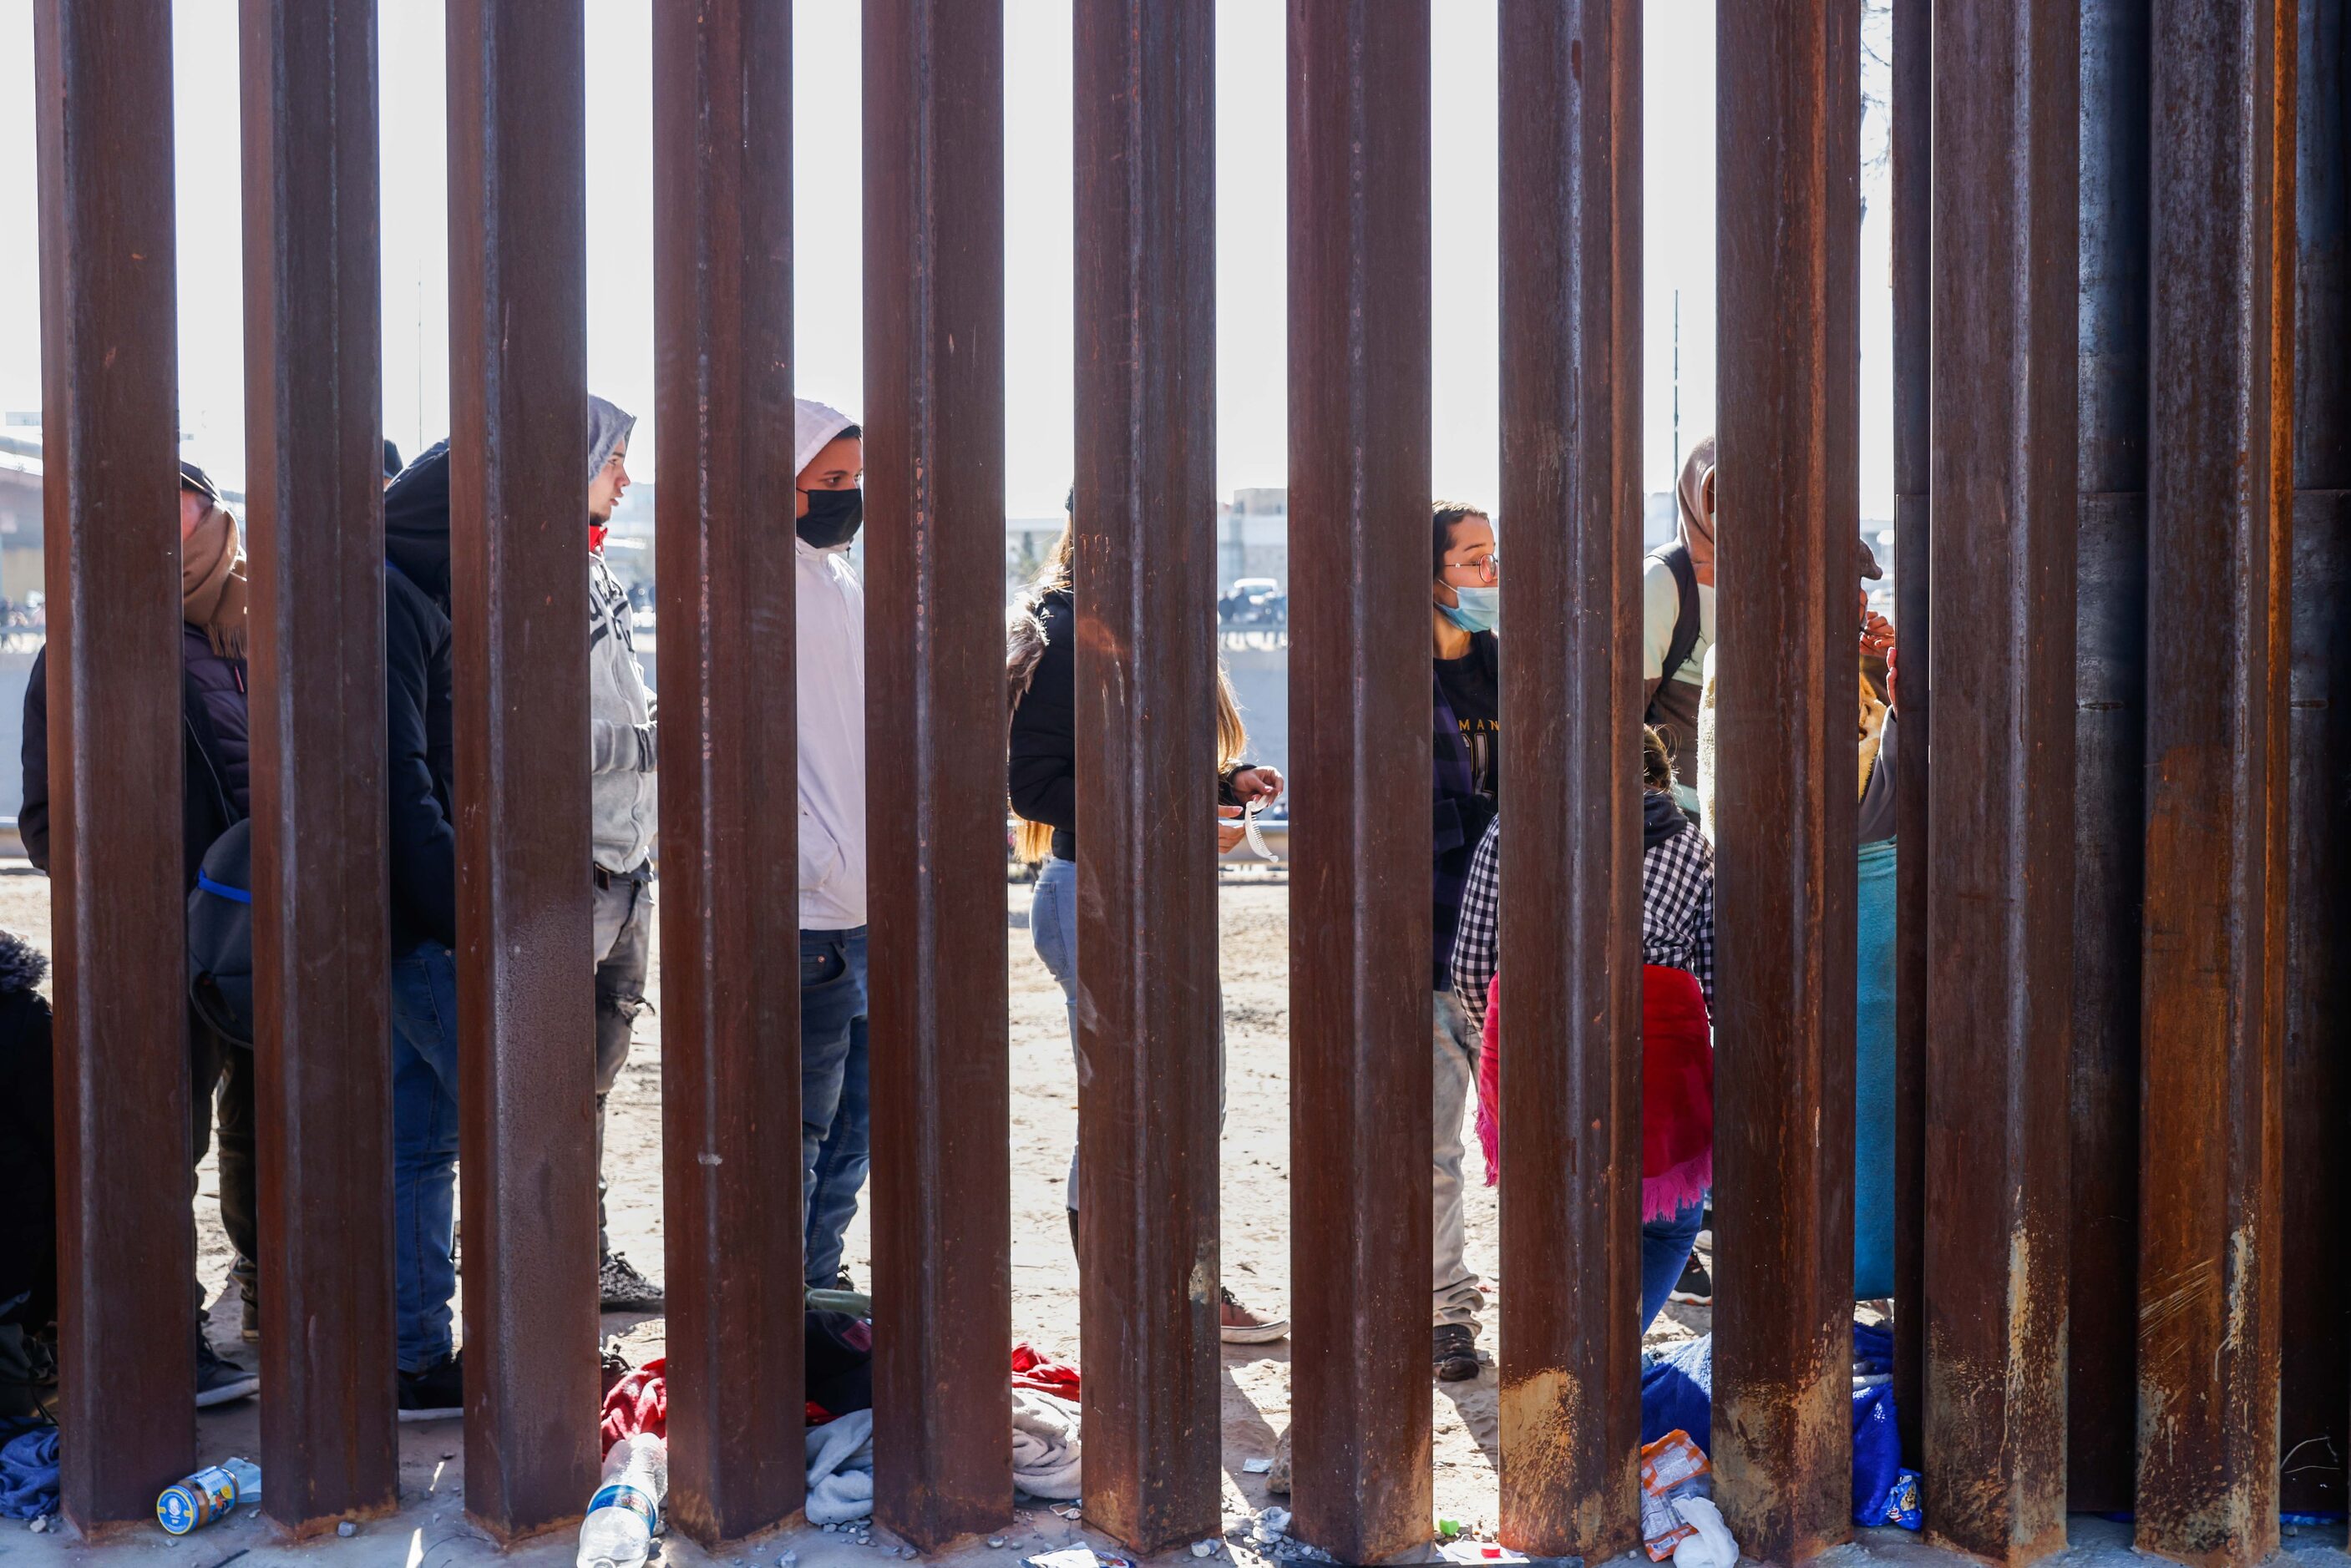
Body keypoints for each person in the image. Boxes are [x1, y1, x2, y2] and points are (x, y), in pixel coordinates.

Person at [377, 397, 637, 1417]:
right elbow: (408, 783)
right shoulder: (399, 599)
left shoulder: (426, 589)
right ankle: (534, 1356)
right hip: (443, 923)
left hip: (426, 919)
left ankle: (411, 1354)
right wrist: (473, 915)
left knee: (425, 1137)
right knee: (526, 1132)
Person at [1006, 513, 1289, 1343]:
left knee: (1184, 1102)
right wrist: (1175, 815)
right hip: (1096, 897)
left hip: (1140, 895)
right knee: (1132, 1107)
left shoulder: (1136, 624)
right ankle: (1140, 1296)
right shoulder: (1058, 632)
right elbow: (1036, 787)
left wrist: (1221, 781)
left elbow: (1133, 762)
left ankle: (1164, 1285)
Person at [19, 459, 259, 1407]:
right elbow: (46, 823)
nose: (168, 528)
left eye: (184, 505)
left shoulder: (261, 627)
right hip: (160, 945)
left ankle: (276, 1306)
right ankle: (170, 1337)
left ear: (213, 515)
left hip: (272, 939)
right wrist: (154, 887)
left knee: (275, 1133)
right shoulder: (82, 647)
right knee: (163, 1141)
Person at [1452, 727, 1716, 1337]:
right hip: (1659, 1051)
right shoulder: (1690, 846)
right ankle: (1615, 1350)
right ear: (1658, 781)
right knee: (1667, 1222)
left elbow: (1471, 963)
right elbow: (1710, 981)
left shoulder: (1512, 829)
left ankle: (1557, 1358)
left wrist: (1498, 1041)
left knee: (1554, 1206)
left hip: (1536, 1037)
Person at [583, 404, 663, 1312]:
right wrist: (652, 744)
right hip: (579, 873)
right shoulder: (531, 577)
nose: (627, 477)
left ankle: (587, 1250)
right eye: (614, 459)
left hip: (624, 866)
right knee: (556, 1083)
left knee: (593, 1084)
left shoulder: (597, 566)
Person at [794, 398, 874, 1296]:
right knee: (804, 1130)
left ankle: (820, 1289)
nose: (847, 499)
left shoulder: (839, 578)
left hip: (861, 908)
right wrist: (809, 855)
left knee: (852, 1128)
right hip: (810, 910)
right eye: (830, 482)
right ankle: (790, 1300)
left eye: (853, 482)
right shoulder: (757, 585)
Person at [1428, 500, 1499, 1380]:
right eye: (1472, 560)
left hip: (1508, 936)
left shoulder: (1502, 667)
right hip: (1432, 927)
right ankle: (1448, 1311)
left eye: (1490, 559)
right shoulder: (1401, 681)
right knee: (1435, 1143)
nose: (1487, 575)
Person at [1644, 438, 1715, 808]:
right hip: (1685, 807)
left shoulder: (1772, 579)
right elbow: (1626, 707)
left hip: (1761, 805)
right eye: (1714, 492)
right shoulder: (1665, 578)